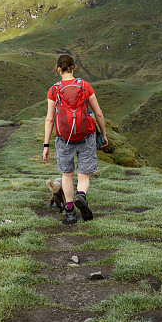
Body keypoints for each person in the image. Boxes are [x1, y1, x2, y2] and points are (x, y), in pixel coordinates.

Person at [42, 54, 108, 224]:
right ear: (74, 67)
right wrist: (103, 134)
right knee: (84, 175)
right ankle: (82, 195)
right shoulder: (85, 86)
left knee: (67, 175)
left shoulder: (54, 90)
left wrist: (46, 144)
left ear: (58, 69)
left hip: (64, 139)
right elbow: (98, 113)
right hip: (86, 137)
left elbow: (49, 119)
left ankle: (70, 212)